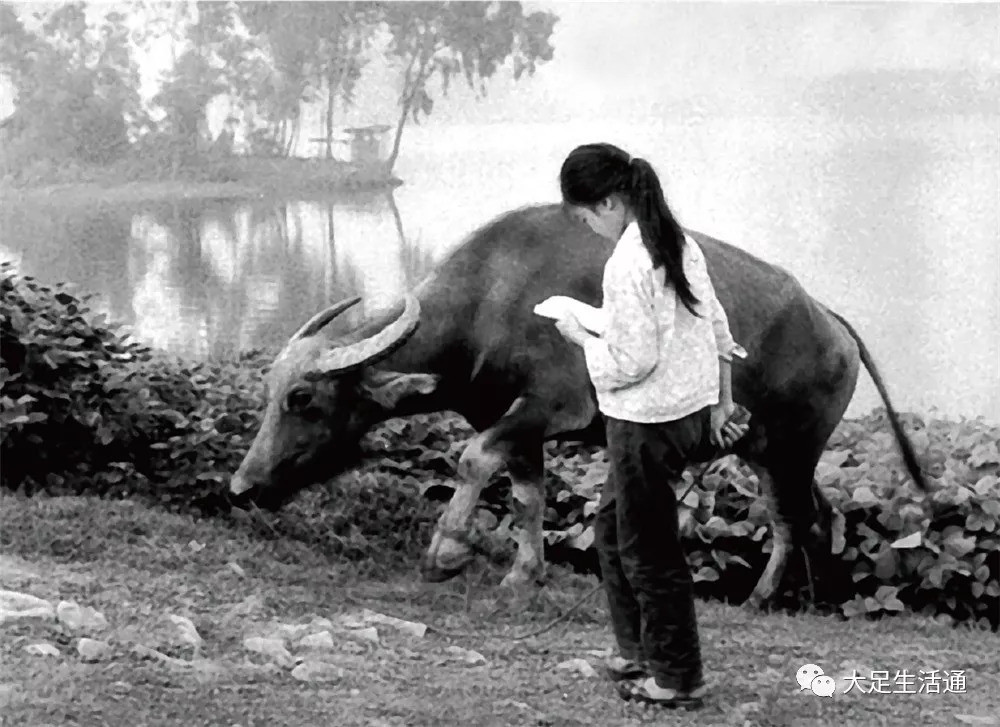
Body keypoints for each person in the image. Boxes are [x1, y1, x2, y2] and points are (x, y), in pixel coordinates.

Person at [552, 142, 749, 709]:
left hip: (644, 423)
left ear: (610, 202)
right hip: (684, 414)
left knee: (648, 549)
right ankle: (635, 651)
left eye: (586, 214)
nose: (588, 226)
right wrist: (722, 403)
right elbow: (715, 322)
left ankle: (679, 678)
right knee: (614, 527)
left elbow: (630, 362)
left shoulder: (628, 261)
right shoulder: (676, 243)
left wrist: (580, 336)